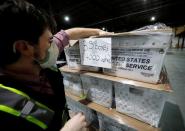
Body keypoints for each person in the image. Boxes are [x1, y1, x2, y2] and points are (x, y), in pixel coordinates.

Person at [0, 0, 111, 130]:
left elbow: (68, 34)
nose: (53, 45)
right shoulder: (6, 103)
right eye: (49, 40)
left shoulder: (39, 58)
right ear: (24, 47)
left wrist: (98, 32)